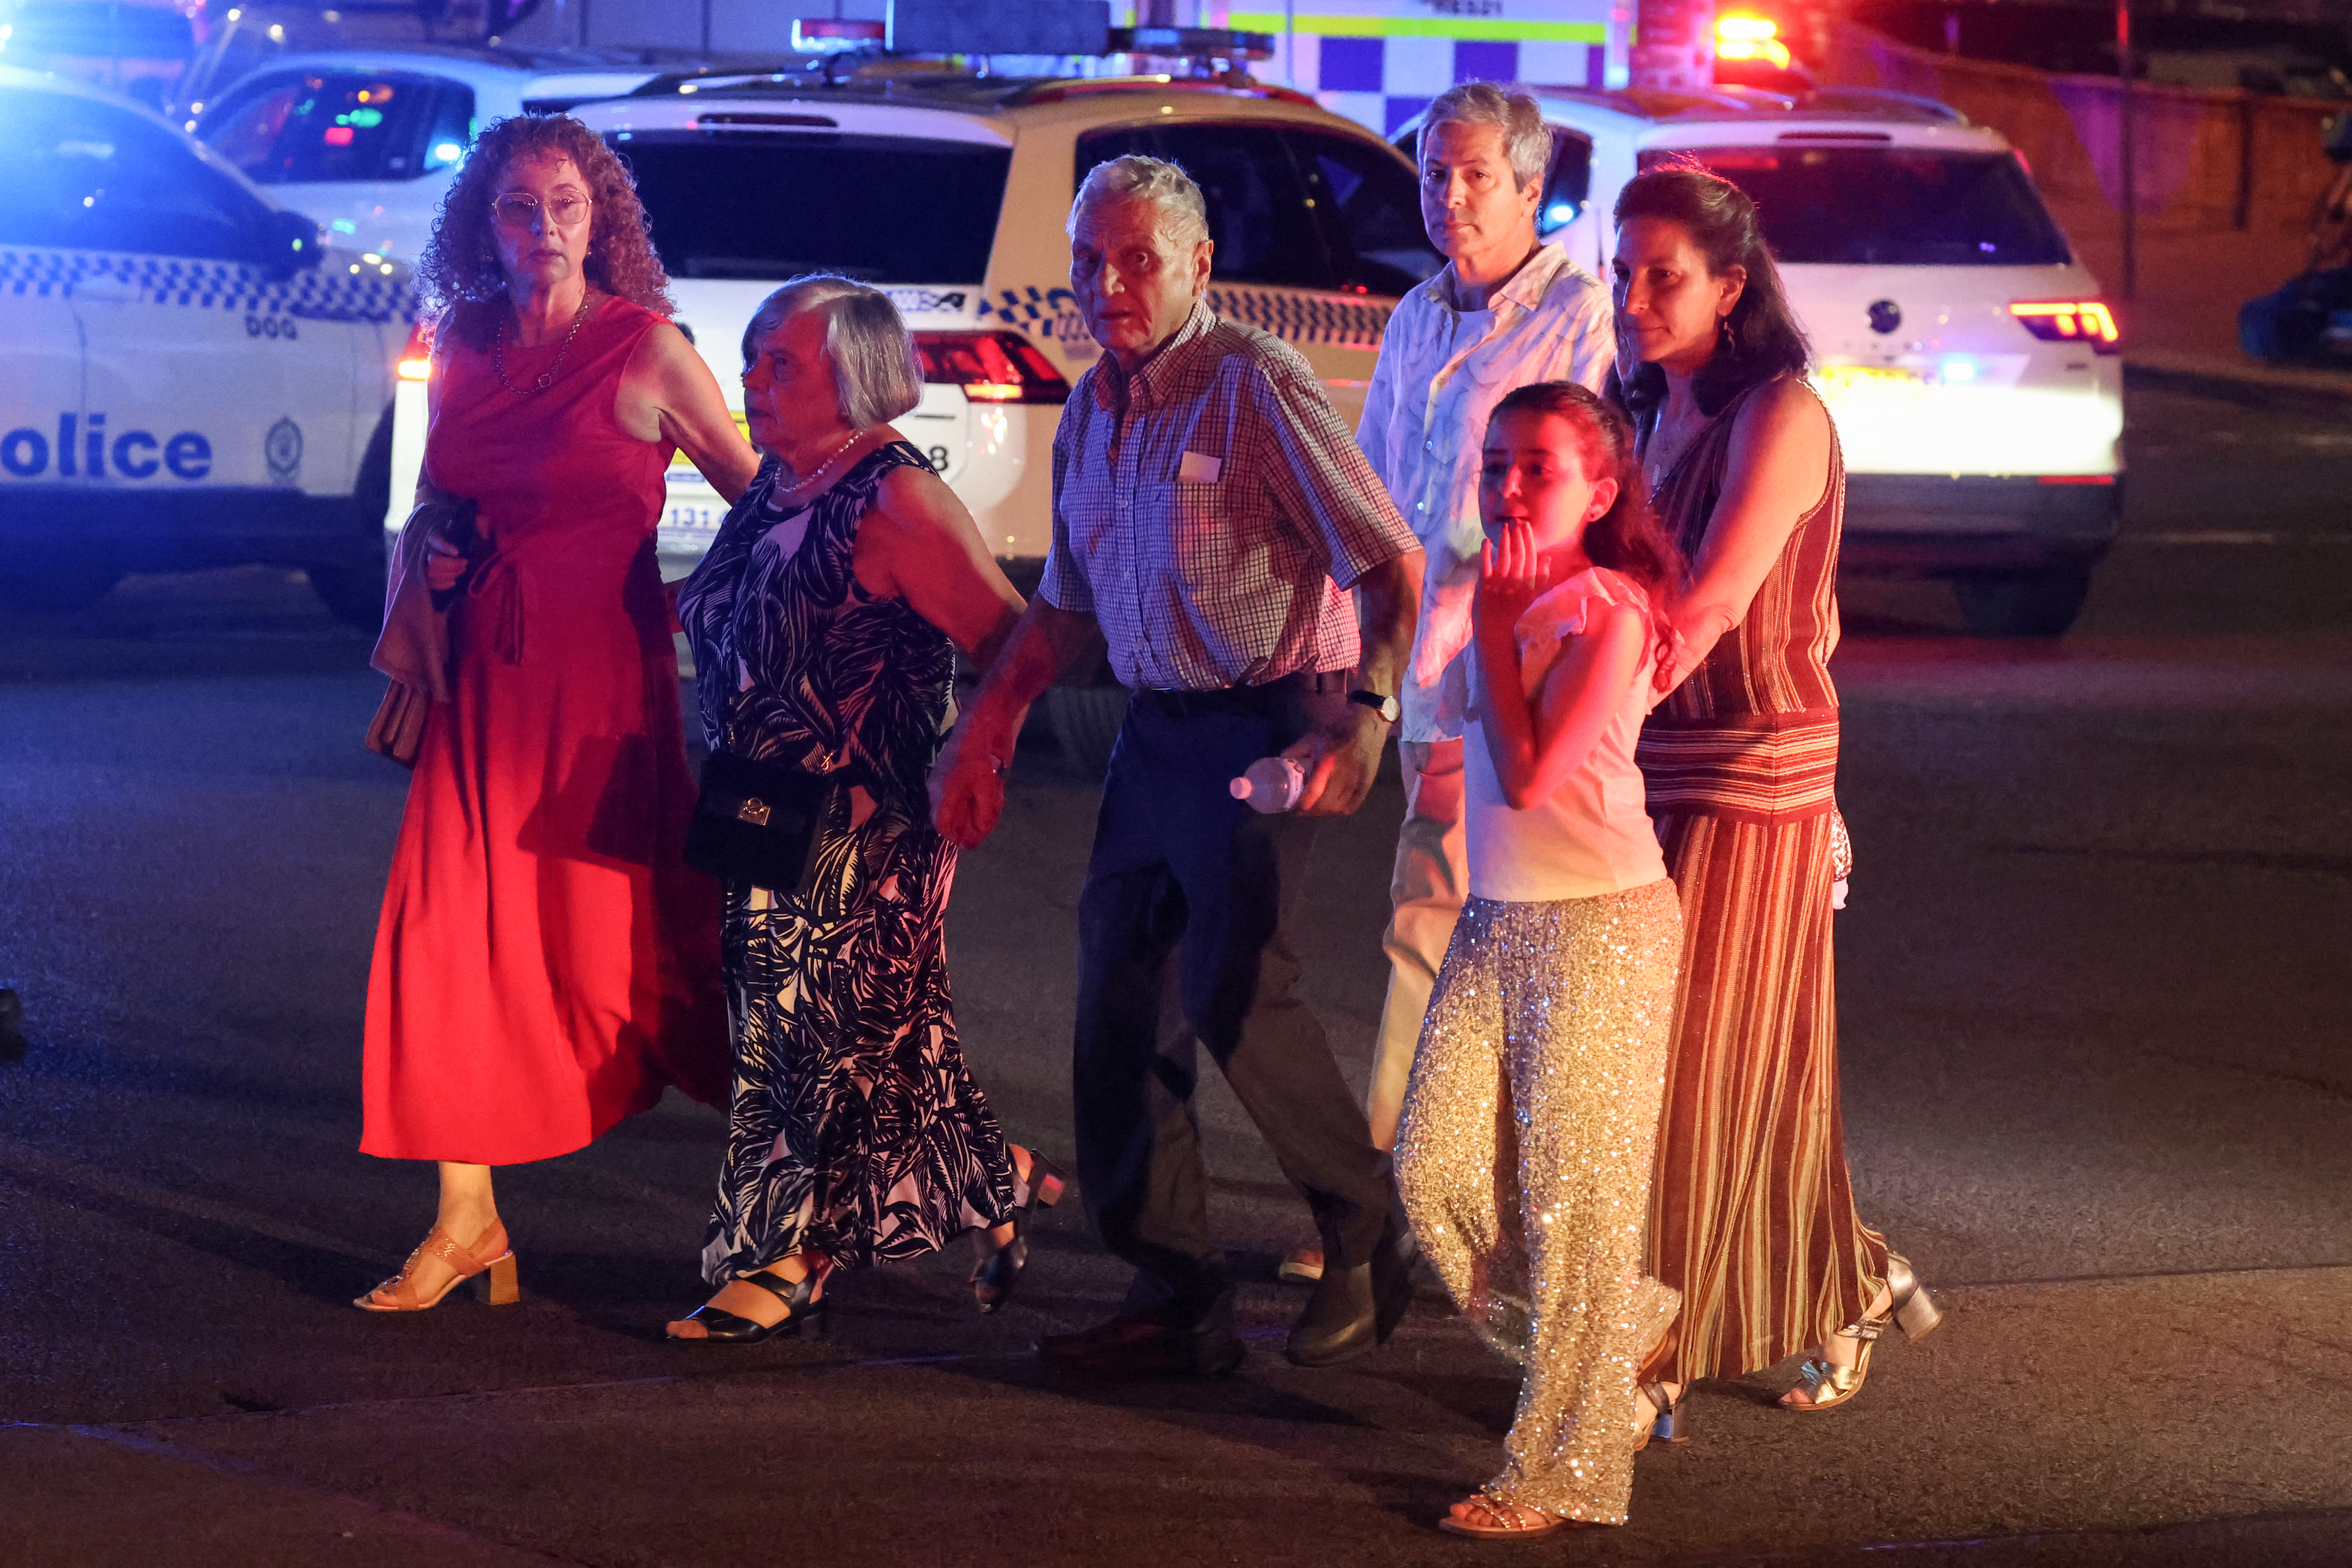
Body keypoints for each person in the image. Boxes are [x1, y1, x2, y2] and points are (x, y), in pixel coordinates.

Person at [931, 155, 1426, 1376]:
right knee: (1115, 1002)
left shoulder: (1255, 384)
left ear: (1198, 266)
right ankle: (1175, 1287)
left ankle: (1367, 1229)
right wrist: (985, 726)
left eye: (1137, 259)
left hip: (1273, 716)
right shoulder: (1095, 406)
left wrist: (1365, 714)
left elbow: (1389, 559)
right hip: (1159, 730)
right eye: (1090, 261)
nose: (1109, 284)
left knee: (1232, 986)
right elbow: (1063, 609)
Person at [355, 116, 760, 1311]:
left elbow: (766, 506)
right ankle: (466, 1218)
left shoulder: (647, 348)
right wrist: (436, 564)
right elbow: (437, 492)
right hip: (479, 684)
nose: (543, 228)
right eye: (519, 208)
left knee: (649, 960)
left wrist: (695, 603)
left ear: (604, 217)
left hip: (599, 697)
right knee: (441, 941)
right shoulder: (463, 341)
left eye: (567, 205)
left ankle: (884, 1158)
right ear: (486, 220)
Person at [662, 276, 1059, 1341]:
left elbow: (1015, 639)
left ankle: (788, 1257)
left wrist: (977, 753)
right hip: (755, 802)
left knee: (812, 1044)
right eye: (751, 357)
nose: (752, 378)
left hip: (860, 826)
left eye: (778, 362)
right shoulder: (779, 485)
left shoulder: (894, 498)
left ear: (856, 374)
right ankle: (989, 1175)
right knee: (819, 1035)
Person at [1608, 162, 1941, 1424]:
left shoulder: (1780, 415)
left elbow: (1705, 608)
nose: (1634, 299)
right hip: (1650, 767)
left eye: (1664, 278)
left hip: (1749, 773)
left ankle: (1636, 1365)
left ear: (1730, 285)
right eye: (1623, 273)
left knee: (1689, 1071)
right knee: (1752, 1072)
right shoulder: (1646, 407)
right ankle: (1846, 1282)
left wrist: (1580, 727)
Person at [1286, 80, 1617, 1288]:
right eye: (1434, 171)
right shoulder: (1420, 314)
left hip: (1524, 673)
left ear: (1534, 189)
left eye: (1476, 174)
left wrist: (1463, 655)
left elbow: (1575, 510)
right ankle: (1403, 1202)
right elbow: (1373, 495)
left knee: (1482, 934)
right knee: (1426, 922)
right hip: (1421, 667)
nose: (1451, 194)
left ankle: (1442, 1212)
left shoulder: (1581, 322)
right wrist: (1353, 660)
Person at [1397, 382, 1685, 1540]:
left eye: (1540, 468)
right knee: (1433, 1165)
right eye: (1497, 463)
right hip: (1497, 915)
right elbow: (1465, 756)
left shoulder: (1606, 607)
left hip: (1602, 923)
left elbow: (1529, 774)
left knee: (1573, 1209)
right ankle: (1621, 1331)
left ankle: (1561, 1464)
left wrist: (1501, 629)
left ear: (1599, 491)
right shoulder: (1495, 590)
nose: (1509, 487)